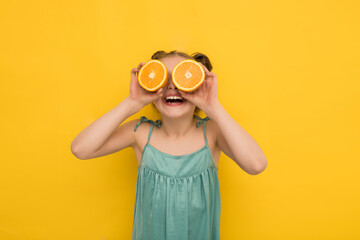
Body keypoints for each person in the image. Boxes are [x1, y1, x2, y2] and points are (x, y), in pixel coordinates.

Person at [71, 50, 268, 240]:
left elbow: (256, 164)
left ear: (197, 84)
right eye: (163, 80)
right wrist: (132, 102)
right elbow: (81, 149)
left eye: (183, 77)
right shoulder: (140, 134)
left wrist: (213, 107)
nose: (172, 86)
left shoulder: (212, 133)